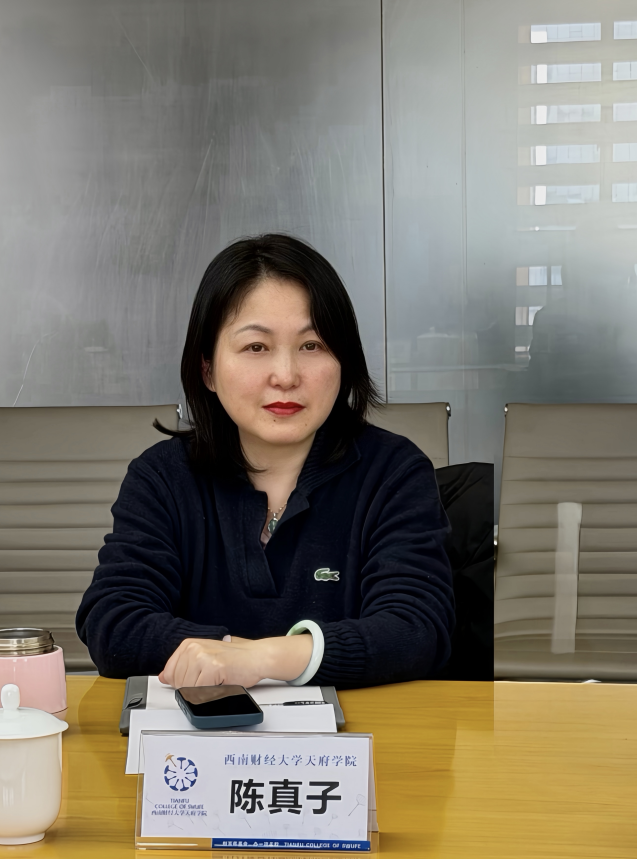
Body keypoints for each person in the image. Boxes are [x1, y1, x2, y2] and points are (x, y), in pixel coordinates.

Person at [75, 234, 454, 689]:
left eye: (312, 345)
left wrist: (260, 659)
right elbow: (114, 622)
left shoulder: (394, 471)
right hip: (202, 729)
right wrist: (239, 657)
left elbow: (417, 629)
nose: (286, 376)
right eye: (256, 347)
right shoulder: (161, 477)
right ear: (207, 370)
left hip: (357, 731)